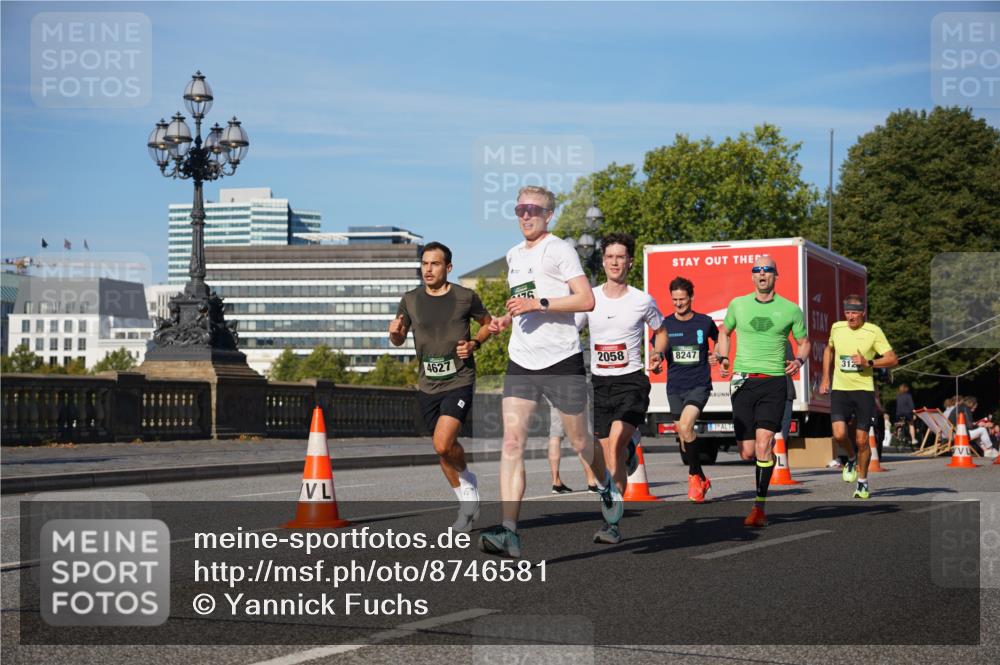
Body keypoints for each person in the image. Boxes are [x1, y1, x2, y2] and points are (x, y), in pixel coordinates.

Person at [480, 185, 609, 558]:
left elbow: (587, 299)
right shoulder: (513, 254)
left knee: (581, 441)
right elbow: (525, 301)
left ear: (548, 215)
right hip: (522, 359)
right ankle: (509, 531)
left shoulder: (561, 249)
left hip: (561, 358)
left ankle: (605, 487)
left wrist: (540, 302)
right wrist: (508, 316)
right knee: (511, 442)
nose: (525, 215)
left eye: (533, 210)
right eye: (520, 208)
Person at [389, 241, 492, 532]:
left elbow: (488, 323)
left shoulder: (465, 296)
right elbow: (398, 337)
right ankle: (466, 502)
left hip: (459, 379)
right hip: (427, 384)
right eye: (424, 264)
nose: (428, 269)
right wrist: (395, 334)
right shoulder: (410, 299)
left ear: (448, 267)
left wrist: (474, 343)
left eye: (434, 264)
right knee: (443, 451)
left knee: (442, 443)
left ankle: (468, 488)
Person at [575, 232, 667, 543]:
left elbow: (661, 332)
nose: (615, 262)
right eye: (610, 257)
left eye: (621, 257)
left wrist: (658, 351)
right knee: (607, 458)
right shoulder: (590, 298)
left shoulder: (642, 300)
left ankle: (611, 524)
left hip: (632, 381)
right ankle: (627, 455)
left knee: (614, 445)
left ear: (629, 261)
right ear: (604, 261)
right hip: (601, 384)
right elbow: (570, 331)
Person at [715, 255, 810, 527]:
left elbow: (804, 343)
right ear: (752, 276)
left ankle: (759, 507)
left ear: (775, 276)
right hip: (743, 381)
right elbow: (724, 332)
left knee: (763, 444)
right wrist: (724, 356)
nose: (762, 274)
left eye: (767, 270)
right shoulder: (738, 305)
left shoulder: (790, 309)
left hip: (774, 382)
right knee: (746, 451)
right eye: (757, 270)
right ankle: (762, 464)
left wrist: (799, 360)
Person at [819, 294, 898, 499]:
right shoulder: (837, 327)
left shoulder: (874, 332)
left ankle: (862, 482)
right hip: (840, 389)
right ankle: (851, 458)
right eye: (847, 312)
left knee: (862, 440)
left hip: (863, 391)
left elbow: (892, 359)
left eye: (854, 312)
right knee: (838, 435)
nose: (851, 316)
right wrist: (826, 377)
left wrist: (868, 363)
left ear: (863, 312)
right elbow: (829, 349)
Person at [661, 276, 719, 503]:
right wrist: (656, 359)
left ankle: (694, 476)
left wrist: (719, 355)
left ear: (691, 298)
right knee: (684, 438)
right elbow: (659, 348)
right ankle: (702, 477)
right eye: (674, 300)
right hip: (674, 387)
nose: (678, 304)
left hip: (699, 384)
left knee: (686, 426)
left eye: (682, 299)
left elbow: (721, 339)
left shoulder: (704, 322)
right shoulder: (665, 324)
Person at [546, 396, 598, 493]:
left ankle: (556, 482)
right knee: (583, 433)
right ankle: (592, 482)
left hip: (552, 387)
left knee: (555, 434)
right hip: (575, 389)